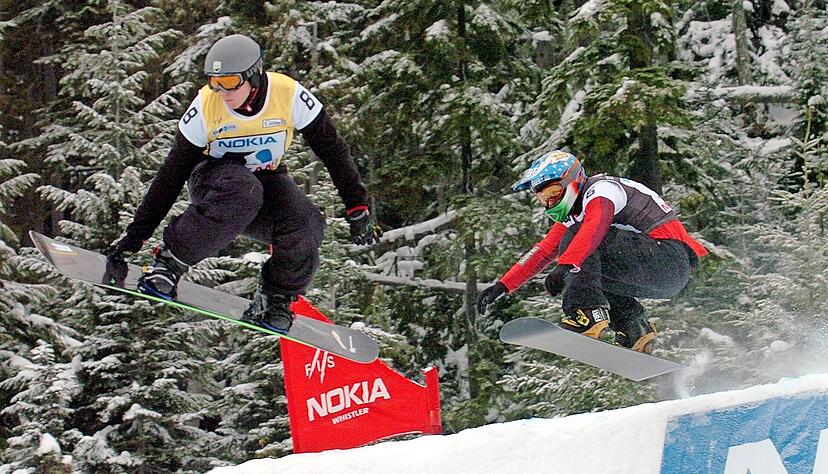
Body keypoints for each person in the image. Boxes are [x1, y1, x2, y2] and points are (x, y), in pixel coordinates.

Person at [105, 34, 380, 334]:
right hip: (213, 180)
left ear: (255, 75)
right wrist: (137, 234)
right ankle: (170, 264)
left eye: (230, 82)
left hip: (266, 179)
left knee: (307, 224)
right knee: (243, 189)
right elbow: (171, 175)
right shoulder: (206, 107)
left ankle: (275, 296)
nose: (222, 92)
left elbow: (333, 149)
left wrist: (356, 205)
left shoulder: (288, 95)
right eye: (214, 82)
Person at [476, 150, 707, 353]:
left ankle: (585, 312)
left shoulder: (602, 191)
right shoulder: (577, 215)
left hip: (668, 259)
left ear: (573, 181)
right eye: (543, 198)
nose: (551, 202)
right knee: (588, 262)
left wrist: (566, 265)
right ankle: (633, 326)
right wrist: (503, 285)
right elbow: (542, 250)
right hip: (660, 272)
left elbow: (595, 226)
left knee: (581, 242)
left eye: (555, 192)